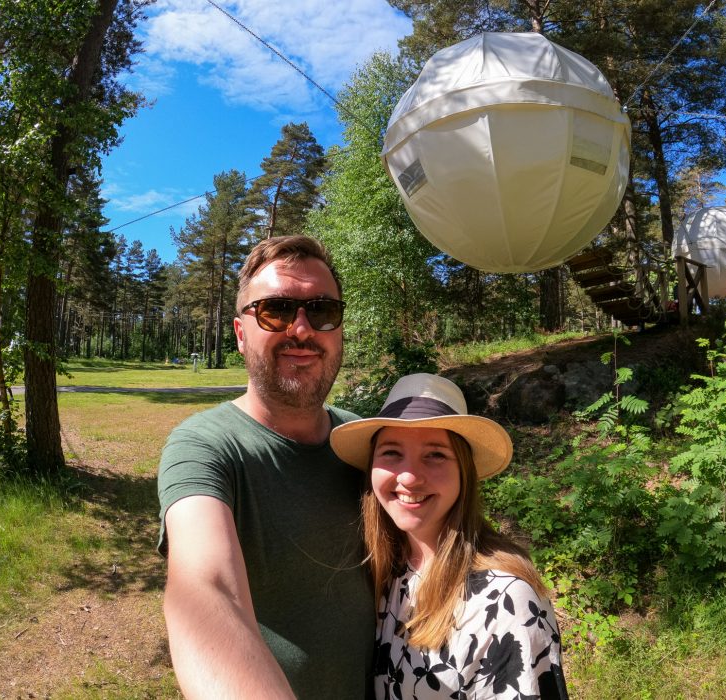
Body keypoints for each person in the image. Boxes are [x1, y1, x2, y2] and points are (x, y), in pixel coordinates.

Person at [157, 235, 374, 699]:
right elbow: (205, 590)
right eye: (275, 310)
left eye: (322, 311)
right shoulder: (205, 446)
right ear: (239, 334)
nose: (301, 329)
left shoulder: (364, 441)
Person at [331, 373, 569, 700]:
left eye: (436, 455)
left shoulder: (505, 602)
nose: (410, 477)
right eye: (391, 452)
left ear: (464, 472)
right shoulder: (390, 570)